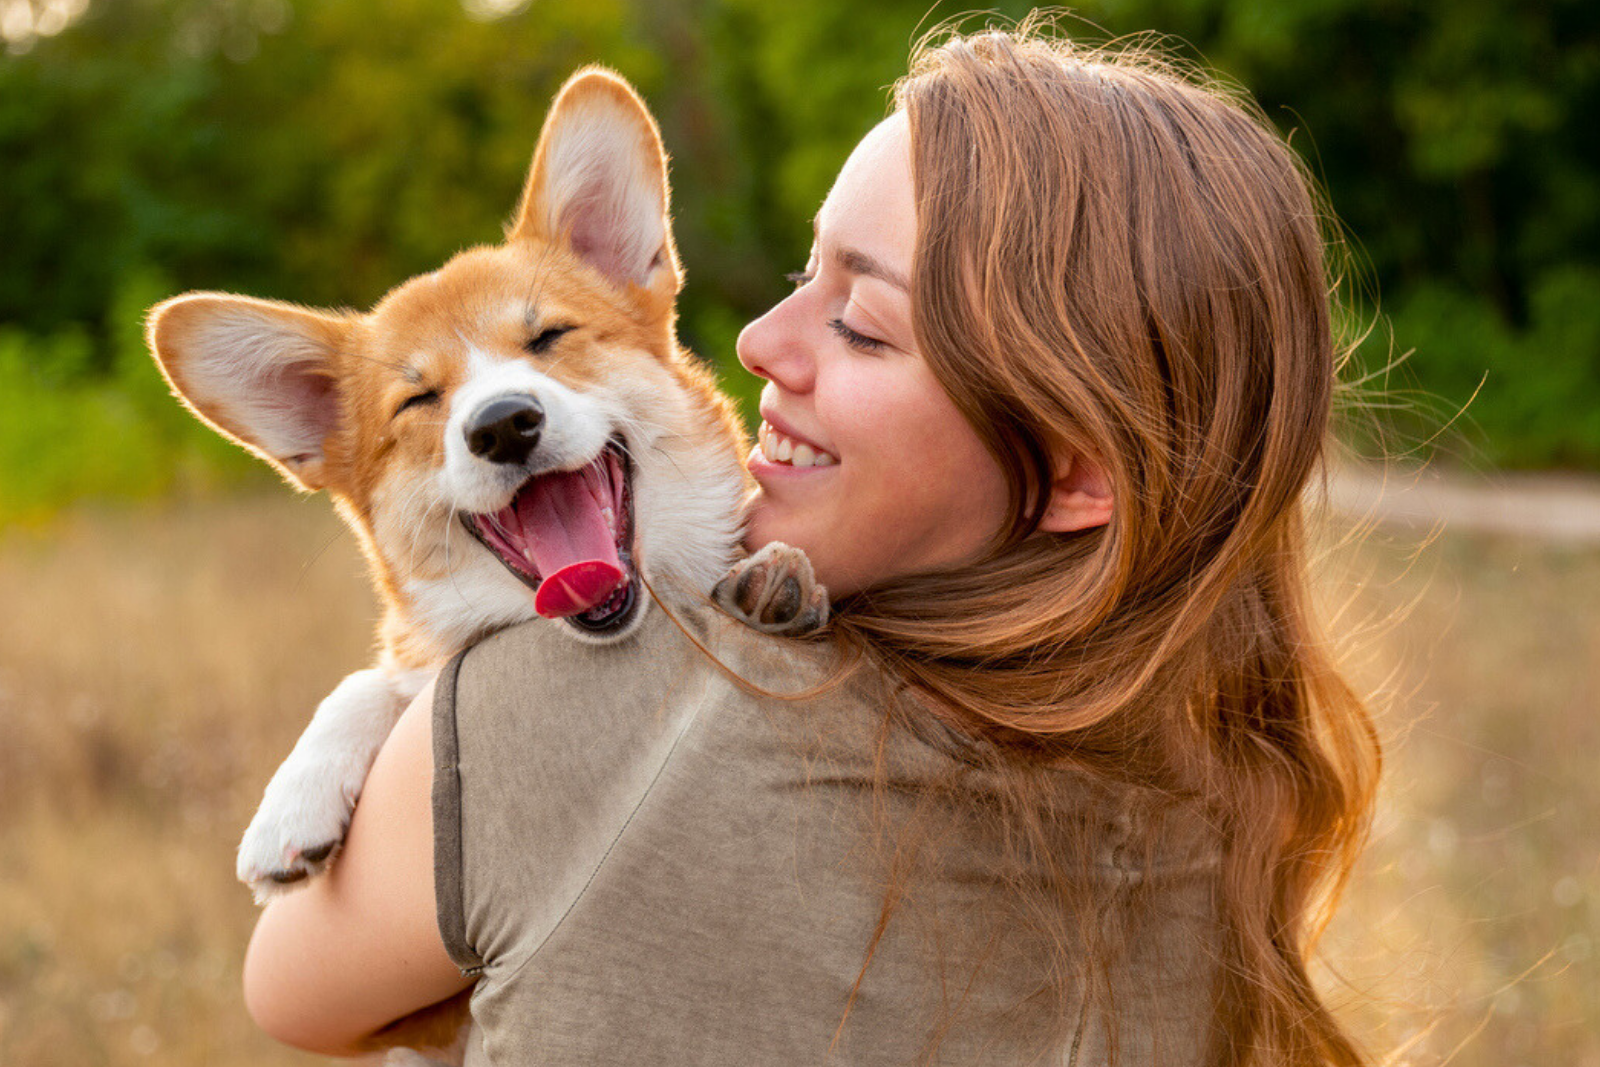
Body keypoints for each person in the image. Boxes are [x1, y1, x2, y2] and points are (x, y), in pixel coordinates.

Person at [241, 26, 1380, 1067]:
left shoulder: (562, 714)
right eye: (803, 273)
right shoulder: (1216, 817)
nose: (749, 341)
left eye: (862, 321)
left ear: (1078, 468)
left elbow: (289, 993)